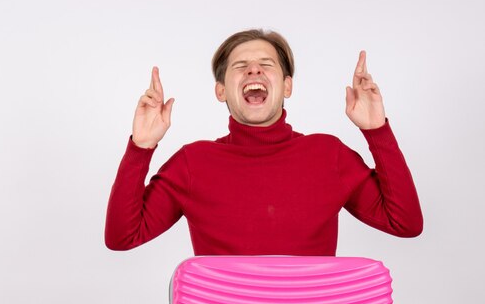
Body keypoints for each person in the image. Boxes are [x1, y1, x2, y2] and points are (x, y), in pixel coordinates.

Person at [105, 29, 423, 256]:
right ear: (221, 91)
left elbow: (405, 223)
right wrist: (140, 148)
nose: (253, 69)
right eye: (240, 66)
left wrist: (377, 131)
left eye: (266, 64)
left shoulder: (328, 155)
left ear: (287, 87)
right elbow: (122, 237)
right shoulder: (193, 163)